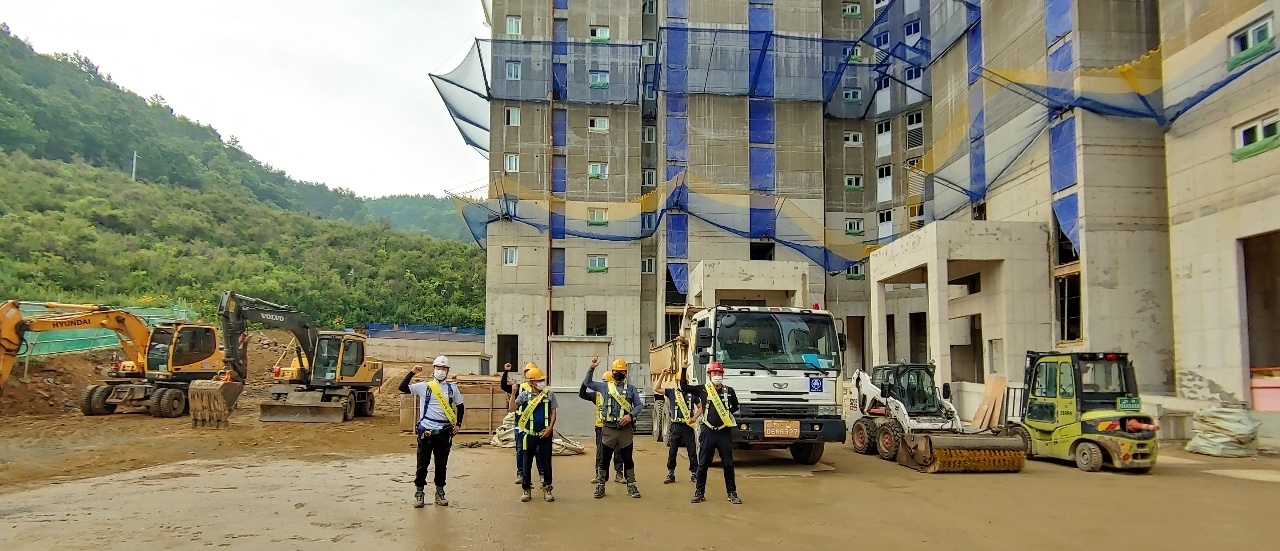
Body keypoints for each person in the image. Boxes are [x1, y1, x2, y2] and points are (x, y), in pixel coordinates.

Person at [399, 355, 465, 508]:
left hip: (444, 432)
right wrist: (412, 372)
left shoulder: (452, 389)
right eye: (438, 368)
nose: (440, 371)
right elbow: (402, 388)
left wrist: (458, 424)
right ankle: (419, 493)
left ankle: (440, 492)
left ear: (447, 371)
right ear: (433, 369)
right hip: (426, 431)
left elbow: (460, 406)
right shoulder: (425, 386)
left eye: (443, 368)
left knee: (441, 464)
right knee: (422, 463)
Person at [680, 360, 741, 505]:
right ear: (709, 375)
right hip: (708, 432)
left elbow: (735, 407)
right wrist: (683, 370)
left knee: (728, 464)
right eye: (714, 373)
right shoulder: (703, 389)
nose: (717, 376)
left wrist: (725, 416)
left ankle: (731, 493)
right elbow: (683, 387)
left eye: (719, 373)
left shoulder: (729, 391)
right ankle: (699, 492)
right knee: (703, 464)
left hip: (724, 432)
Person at [582, 357, 645, 499]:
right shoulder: (604, 387)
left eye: (622, 372)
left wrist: (630, 415)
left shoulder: (631, 389)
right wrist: (592, 367)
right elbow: (587, 383)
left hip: (625, 430)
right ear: (612, 372)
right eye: (617, 372)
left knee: (628, 458)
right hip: (608, 429)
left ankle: (631, 485)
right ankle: (601, 485)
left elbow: (639, 405)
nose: (619, 374)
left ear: (625, 373)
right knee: (604, 459)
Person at [513, 364, 558, 503]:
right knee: (527, 462)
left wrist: (550, 428)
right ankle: (526, 489)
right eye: (539, 381)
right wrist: (513, 393)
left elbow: (553, 411)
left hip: (545, 434)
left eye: (542, 380)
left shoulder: (549, 394)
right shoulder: (524, 395)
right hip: (529, 434)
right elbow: (511, 409)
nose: (541, 383)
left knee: (546, 462)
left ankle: (547, 488)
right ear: (532, 382)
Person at [579, 367, 627, 484]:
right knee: (601, 453)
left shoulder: (620, 394)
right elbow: (582, 394)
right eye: (603, 382)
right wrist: (585, 382)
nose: (603, 384)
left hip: (615, 426)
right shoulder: (597, 394)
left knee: (618, 452)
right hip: (601, 427)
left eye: (606, 382)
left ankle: (619, 474)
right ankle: (599, 475)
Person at [653, 368, 701, 484]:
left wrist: (694, 418)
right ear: (677, 381)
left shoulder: (692, 395)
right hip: (675, 426)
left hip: (688, 426)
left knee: (692, 451)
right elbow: (656, 388)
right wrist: (662, 375)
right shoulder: (672, 392)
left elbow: (701, 407)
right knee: (672, 451)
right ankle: (671, 473)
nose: (683, 383)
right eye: (680, 380)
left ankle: (694, 473)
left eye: (685, 381)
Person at [501, 363, 545, 487]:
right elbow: (504, 386)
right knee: (521, 450)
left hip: (535, 426)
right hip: (521, 425)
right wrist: (506, 372)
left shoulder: (542, 391)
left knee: (538, 451)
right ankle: (521, 473)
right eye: (528, 372)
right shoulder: (519, 387)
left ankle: (542, 473)